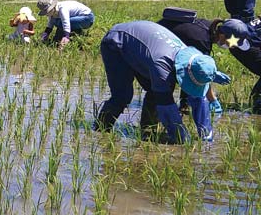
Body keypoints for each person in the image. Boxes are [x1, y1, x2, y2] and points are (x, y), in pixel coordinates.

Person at [94, 20, 231, 144]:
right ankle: (100, 131)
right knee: (122, 96)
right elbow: (166, 106)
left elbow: (198, 99)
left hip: (145, 43)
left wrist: (206, 136)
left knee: (157, 90)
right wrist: (181, 139)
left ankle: (147, 132)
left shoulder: (196, 58)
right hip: (117, 42)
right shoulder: (162, 65)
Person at [156, 7, 222, 116]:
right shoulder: (202, 40)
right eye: (228, 41)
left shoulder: (209, 27)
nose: (229, 45)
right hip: (159, 42)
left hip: (165, 35)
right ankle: (159, 116)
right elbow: (200, 73)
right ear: (222, 34)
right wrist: (212, 99)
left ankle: (184, 105)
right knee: (167, 81)